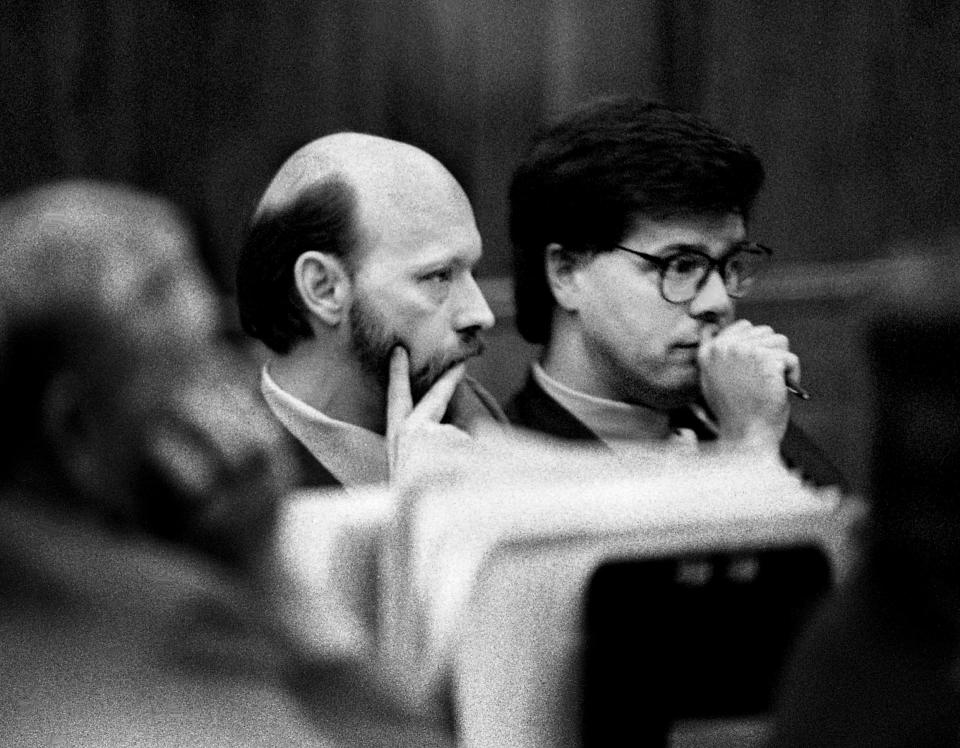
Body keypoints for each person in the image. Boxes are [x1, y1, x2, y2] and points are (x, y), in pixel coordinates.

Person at [0, 180, 453, 746]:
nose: (241, 396)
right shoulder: (167, 616)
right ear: (76, 429)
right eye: (203, 370)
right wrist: (264, 563)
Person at [506, 96, 845, 488]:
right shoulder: (509, 471)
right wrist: (748, 451)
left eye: (731, 263)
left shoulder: (738, 408)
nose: (718, 302)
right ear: (566, 273)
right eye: (680, 266)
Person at [236, 133, 505, 490]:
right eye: (439, 276)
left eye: (472, 272)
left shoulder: (472, 414)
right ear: (323, 288)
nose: (481, 314)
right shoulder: (235, 475)